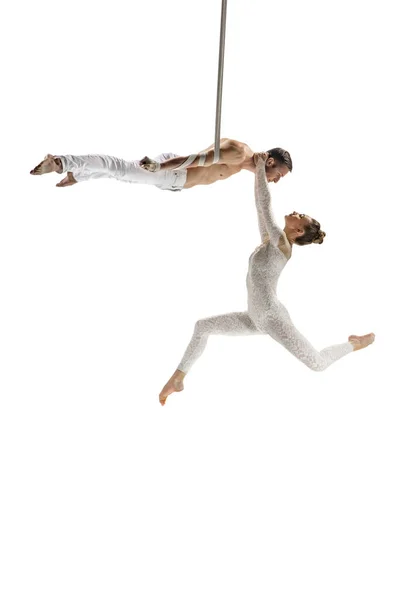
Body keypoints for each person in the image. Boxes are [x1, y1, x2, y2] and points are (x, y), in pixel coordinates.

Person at [158, 154, 375, 405]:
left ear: (298, 231)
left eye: (300, 215)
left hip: (272, 317)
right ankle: (178, 377)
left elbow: (265, 204)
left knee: (317, 363)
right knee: (202, 326)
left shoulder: (282, 244)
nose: (296, 211)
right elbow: (258, 205)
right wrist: (258, 173)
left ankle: (355, 344)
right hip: (254, 316)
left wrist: (260, 167)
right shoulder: (270, 241)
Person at [29, 139, 292, 190]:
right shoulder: (238, 153)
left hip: (173, 178)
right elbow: (197, 160)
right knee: (120, 168)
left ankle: (79, 174)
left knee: (125, 174)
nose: (276, 180)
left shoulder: (245, 163)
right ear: (270, 161)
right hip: (174, 172)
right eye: (278, 174)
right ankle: (62, 162)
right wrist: (160, 167)